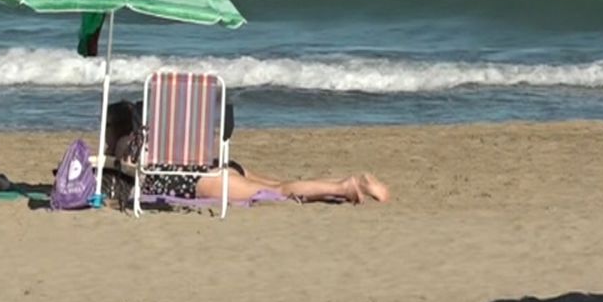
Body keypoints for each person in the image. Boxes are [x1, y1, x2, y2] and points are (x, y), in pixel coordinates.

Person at [104, 99, 389, 205]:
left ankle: (345, 187)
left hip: (199, 180)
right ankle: (338, 186)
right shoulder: (154, 136)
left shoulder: (127, 144)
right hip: (217, 165)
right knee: (279, 185)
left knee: (280, 192)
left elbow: (124, 172)